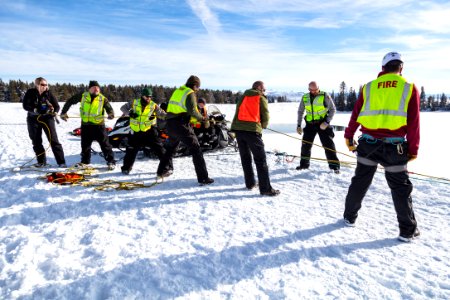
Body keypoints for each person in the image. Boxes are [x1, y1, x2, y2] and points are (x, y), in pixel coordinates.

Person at [343, 51, 420, 242]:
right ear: (401, 67)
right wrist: (414, 149)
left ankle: (349, 217)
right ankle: (407, 231)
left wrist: (348, 135)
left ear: (383, 68)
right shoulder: (408, 87)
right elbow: (414, 123)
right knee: (400, 188)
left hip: (367, 145)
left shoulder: (369, 87)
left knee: (360, 181)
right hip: (395, 148)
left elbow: (356, 114)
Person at [156, 75, 214, 185]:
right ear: (195, 85)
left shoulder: (178, 91)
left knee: (170, 148)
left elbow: (184, 111)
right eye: (198, 87)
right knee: (196, 149)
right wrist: (204, 119)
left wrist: (198, 120)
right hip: (180, 125)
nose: (198, 89)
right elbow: (193, 111)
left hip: (170, 125)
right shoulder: (190, 93)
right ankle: (203, 178)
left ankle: (161, 171)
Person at [231, 80, 280, 196]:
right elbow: (266, 115)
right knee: (260, 159)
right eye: (263, 89)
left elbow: (237, 112)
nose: (264, 91)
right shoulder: (260, 97)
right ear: (258, 88)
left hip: (239, 131)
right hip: (253, 132)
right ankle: (266, 188)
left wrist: (234, 128)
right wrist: (263, 125)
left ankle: (250, 183)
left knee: (245, 158)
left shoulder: (243, 96)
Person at [60, 80, 116, 170]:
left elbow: (109, 108)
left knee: (105, 145)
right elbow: (70, 101)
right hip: (86, 125)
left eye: (98, 88)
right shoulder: (83, 96)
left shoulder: (102, 98)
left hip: (99, 126)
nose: (96, 89)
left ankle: (111, 161)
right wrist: (63, 112)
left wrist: (111, 114)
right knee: (85, 145)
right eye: (94, 88)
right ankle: (85, 162)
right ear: (89, 89)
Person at [120, 87, 168, 175]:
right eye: (147, 96)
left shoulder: (153, 105)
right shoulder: (134, 102)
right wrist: (130, 113)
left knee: (160, 150)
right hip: (136, 131)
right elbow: (123, 108)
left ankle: (167, 168)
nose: (148, 98)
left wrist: (170, 117)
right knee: (131, 151)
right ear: (142, 96)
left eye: (150, 97)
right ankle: (126, 168)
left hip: (150, 131)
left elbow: (162, 114)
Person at [296, 81, 340, 173]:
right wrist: (299, 125)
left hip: (322, 124)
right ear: (309, 89)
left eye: (316, 89)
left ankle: (335, 167)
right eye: (313, 90)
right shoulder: (305, 97)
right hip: (310, 125)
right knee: (305, 146)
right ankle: (303, 165)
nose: (315, 91)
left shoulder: (325, 95)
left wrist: (327, 122)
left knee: (329, 146)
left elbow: (333, 109)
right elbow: (300, 111)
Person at [22, 77, 66, 167]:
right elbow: (25, 105)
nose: (45, 86)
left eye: (46, 84)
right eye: (42, 84)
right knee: (36, 141)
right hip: (33, 119)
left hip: (47, 118)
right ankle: (41, 162)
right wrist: (34, 109)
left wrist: (55, 112)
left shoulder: (49, 93)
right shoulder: (30, 92)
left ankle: (61, 162)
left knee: (53, 140)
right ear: (37, 84)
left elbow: (57, 106)